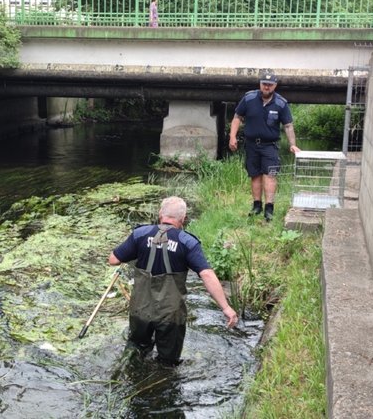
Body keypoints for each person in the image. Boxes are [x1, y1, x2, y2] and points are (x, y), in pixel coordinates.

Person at [108, 196, 238, 366]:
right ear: (183, 219)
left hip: (140, 310)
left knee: (137, 351)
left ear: (160, 214)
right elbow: (207, 275)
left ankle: (133, 378)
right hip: (170, 316)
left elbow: (113, 260)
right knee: (168, 363)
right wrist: (226, 307)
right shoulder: (188, 242)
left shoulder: (140, 234)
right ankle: (163, 384)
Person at [228, 70, 299, 222]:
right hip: (252, 144)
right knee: (255, 175)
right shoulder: (249, 98)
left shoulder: (281, 103)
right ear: (260, 84)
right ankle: (257, 206)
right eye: (264, 84)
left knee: (270, 175)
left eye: (270, 85)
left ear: (275, 86)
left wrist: (293, 145)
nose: (266, 87)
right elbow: (237, 117)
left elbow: (288, 126)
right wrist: (232, 136)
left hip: (270, 146)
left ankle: (269, 209)